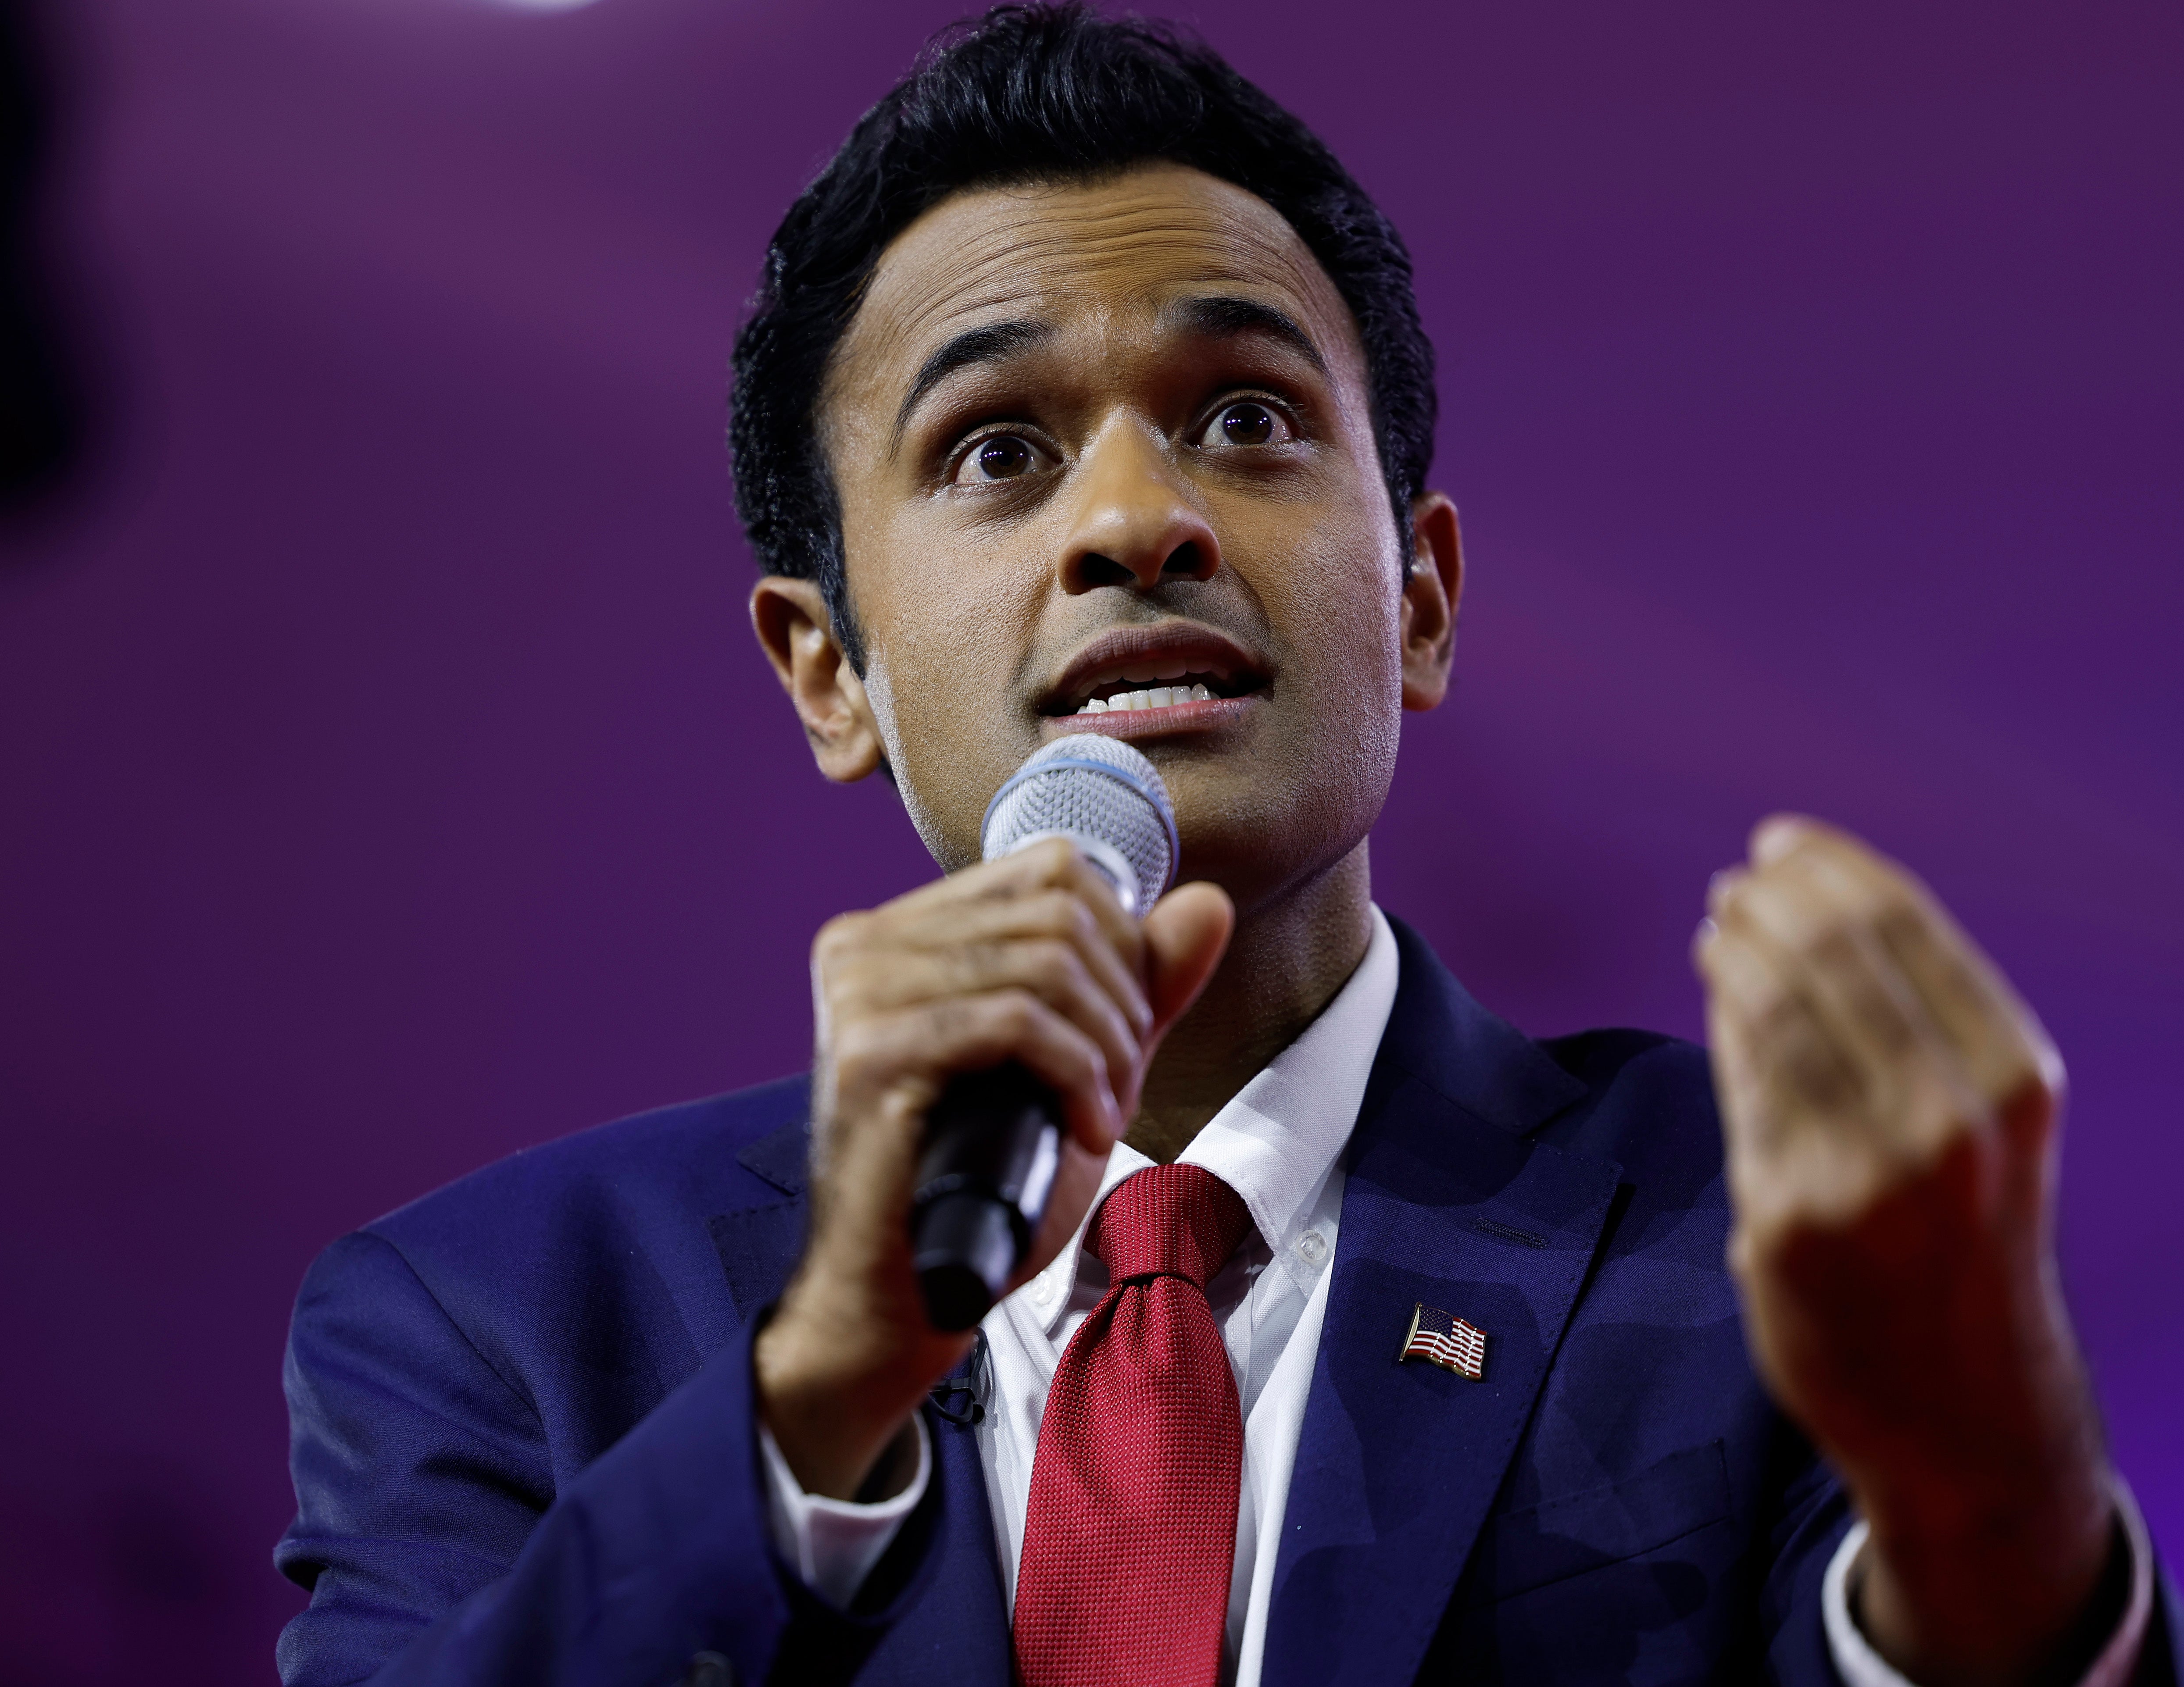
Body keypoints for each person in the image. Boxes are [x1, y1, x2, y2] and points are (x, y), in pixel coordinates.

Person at [271, 8, 2173, 1683]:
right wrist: (824, 1380)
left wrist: (1989, 1488)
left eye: (1247, 416)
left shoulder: (1765, 1228)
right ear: (827, 669)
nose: (1134, 518)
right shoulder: (496, 1320)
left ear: (1419, 604)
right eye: (998, 449)